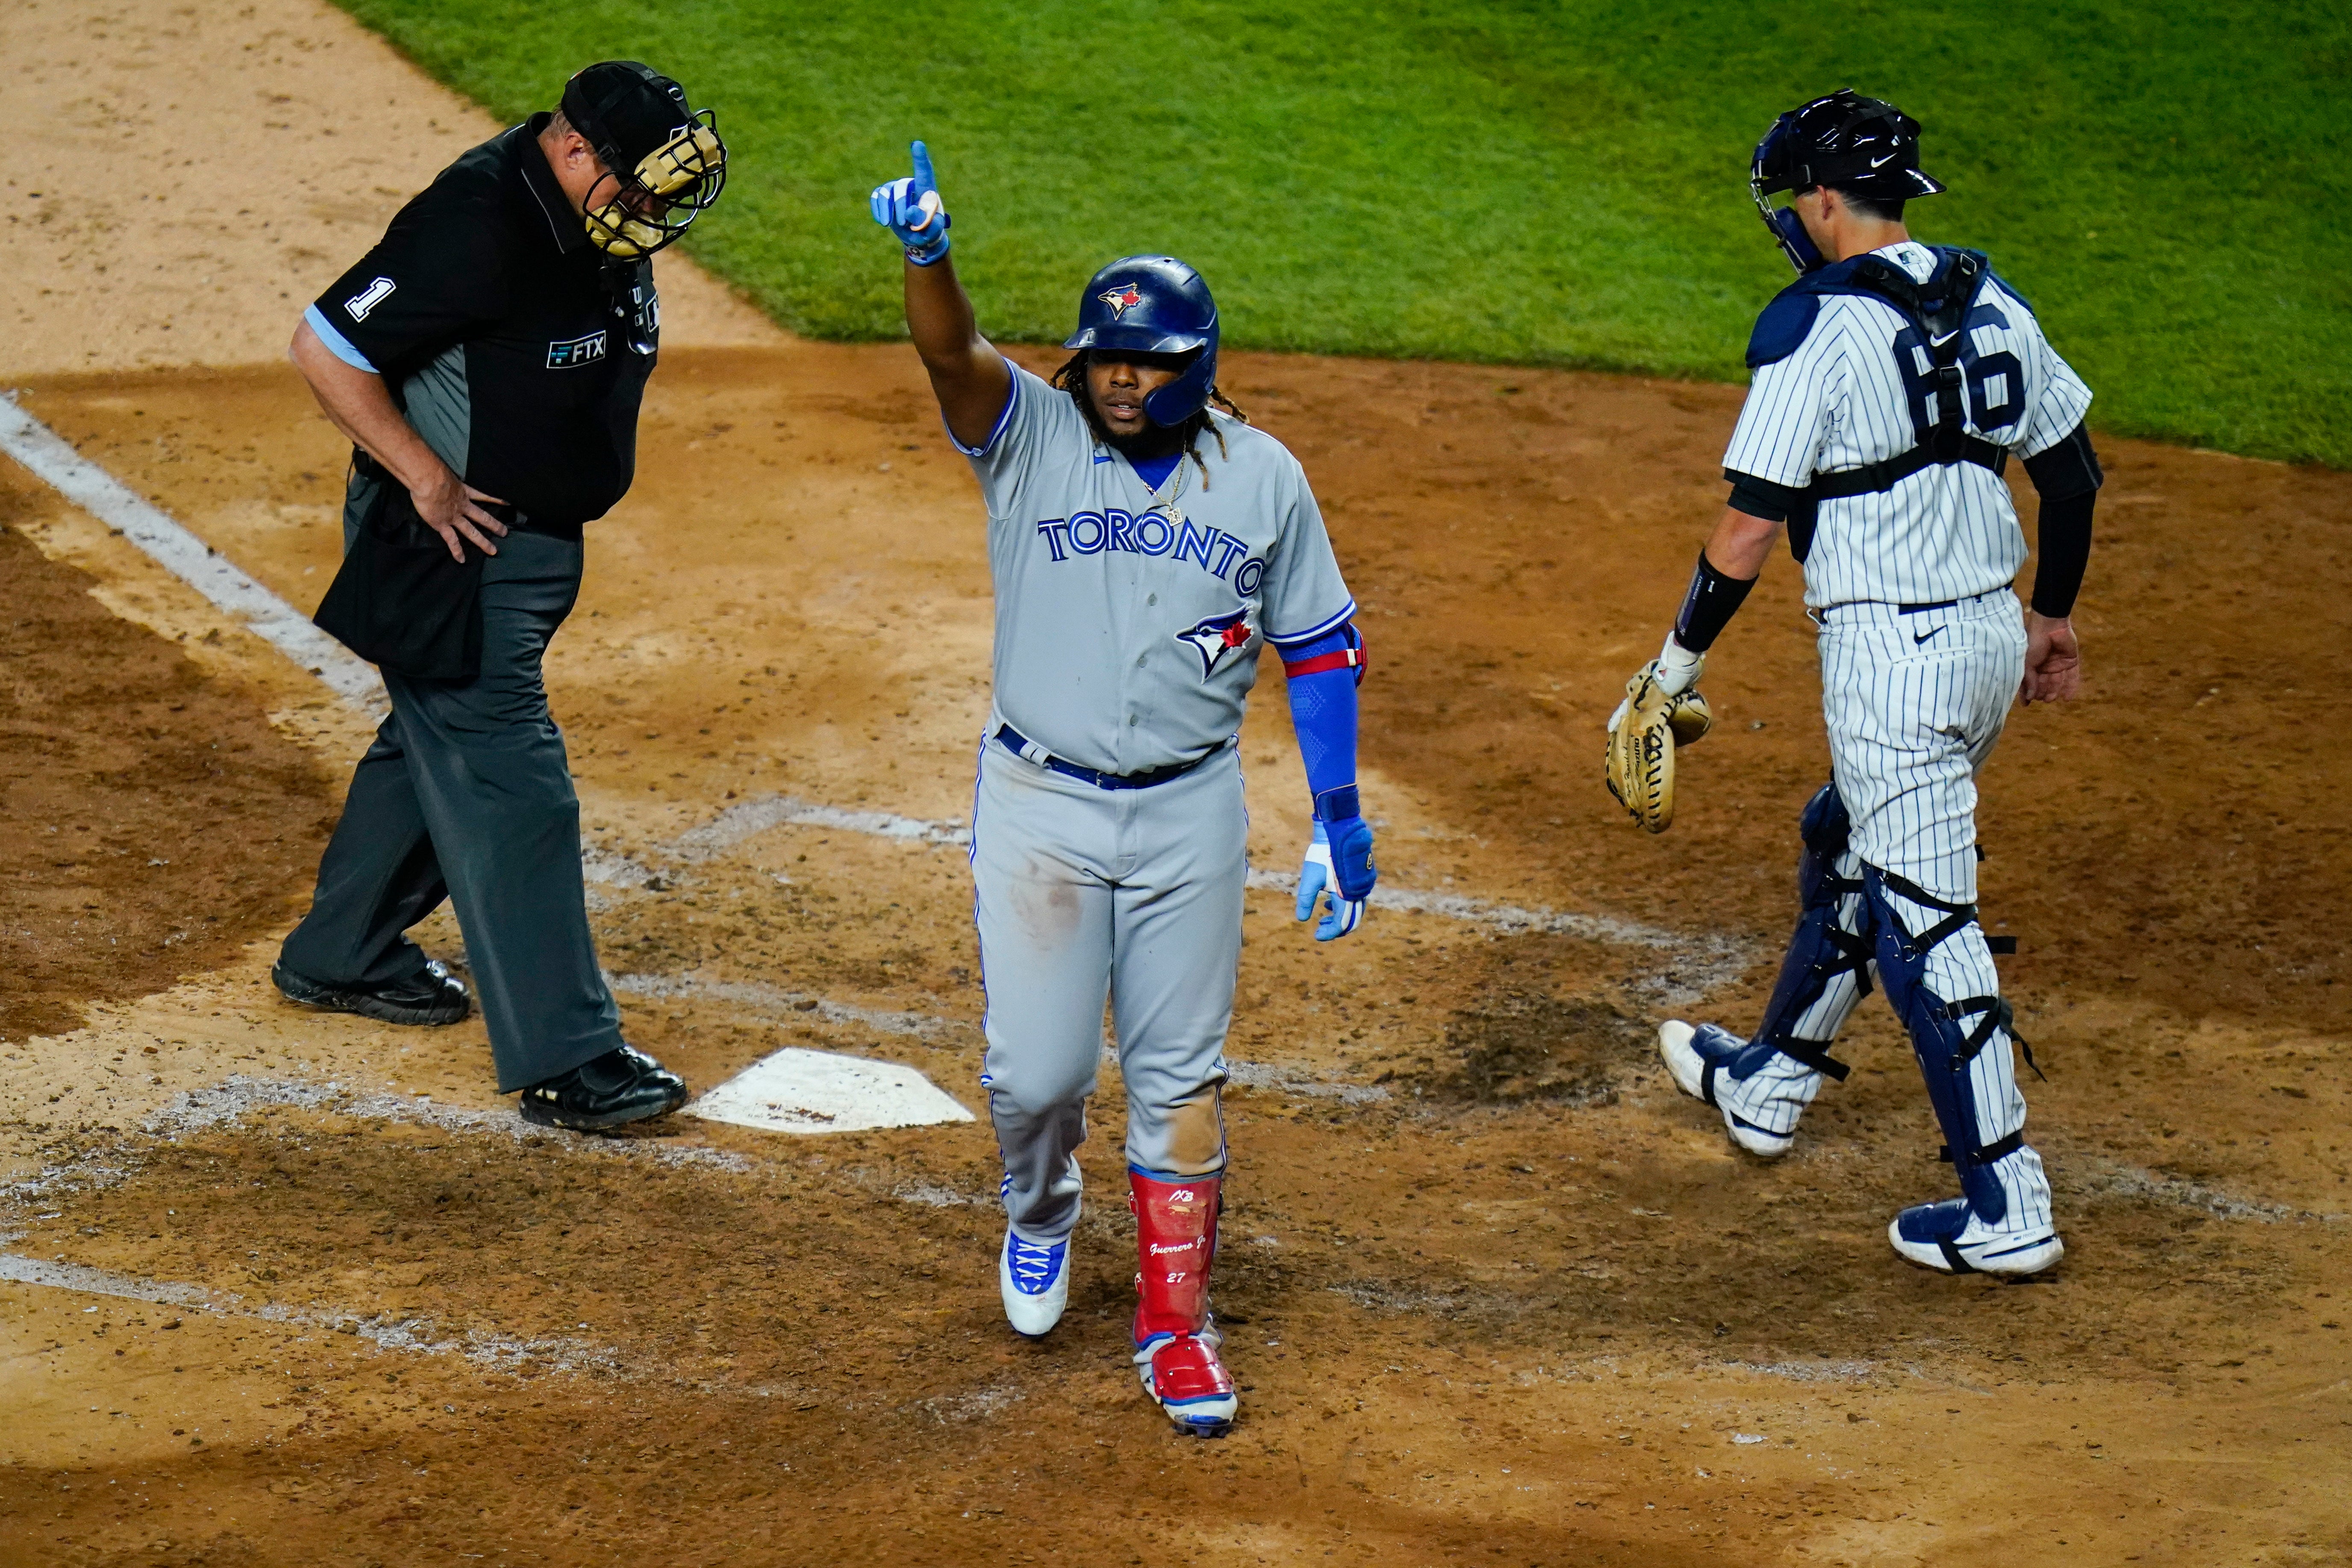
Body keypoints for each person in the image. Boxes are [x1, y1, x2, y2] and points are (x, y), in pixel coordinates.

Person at [868, 141, 1377, 1435]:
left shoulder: (1264, 477)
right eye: (1106, 358)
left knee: (1179, 1078)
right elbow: (950, 356)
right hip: (1040, 801)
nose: (1122, 378)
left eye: (1146, 362)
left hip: (1189, 814)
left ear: (1195, 366)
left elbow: (1319, 644)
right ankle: (1040, 1210)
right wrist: (928, 255)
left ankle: (1175, 1327)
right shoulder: (1028, 436)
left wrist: (1336, 815)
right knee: (1035, 1075)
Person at [1617, 90, 2103, 1276]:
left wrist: (1667, 670)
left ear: (1824, 198)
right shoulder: (1994, 296)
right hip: (1989, 639)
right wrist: (2053, 617)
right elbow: (2073, 473)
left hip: (1896, 661)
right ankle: (1772, 1079)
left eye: (1799, 196)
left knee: (1928, 926)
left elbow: (1747, 531)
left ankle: (2008, 1202)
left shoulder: (1813, 327)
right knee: (1849, 841)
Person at [273, 62, 727, 1132]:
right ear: (574, 153)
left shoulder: (598, 220)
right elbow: (325, 346)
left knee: (432, 738)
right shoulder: (477, 221)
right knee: (514, 780)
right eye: (640, 185)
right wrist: (423, 475)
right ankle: (571, 1057)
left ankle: (343, 950)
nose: (655, 209)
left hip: (527, 544)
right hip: (455, 542)